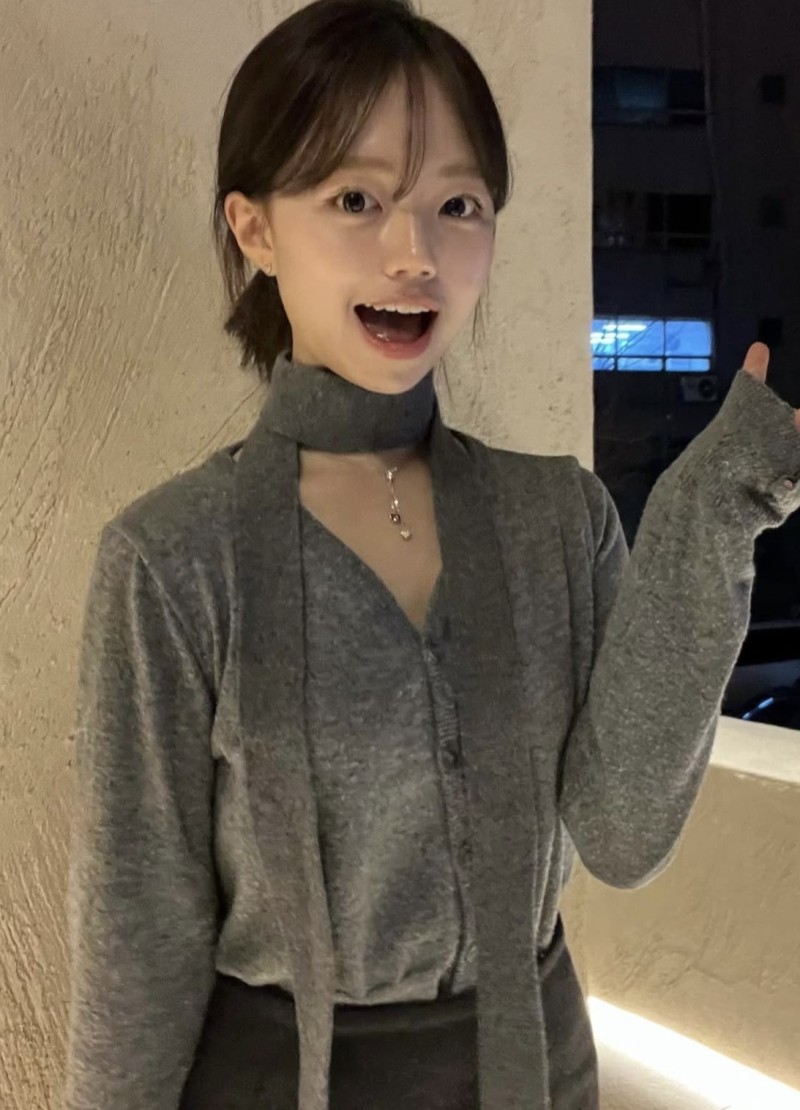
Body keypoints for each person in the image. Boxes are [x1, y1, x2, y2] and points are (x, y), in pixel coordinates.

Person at [62, 1, 800, 1109]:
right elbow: (137, 940)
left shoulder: (557, 517)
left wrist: (711, 511)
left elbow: (619, 833)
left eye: (456, 205)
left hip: (534, 1074)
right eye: (355, 200)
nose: (414, 255)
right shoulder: (173, 559)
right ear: (255, 229)